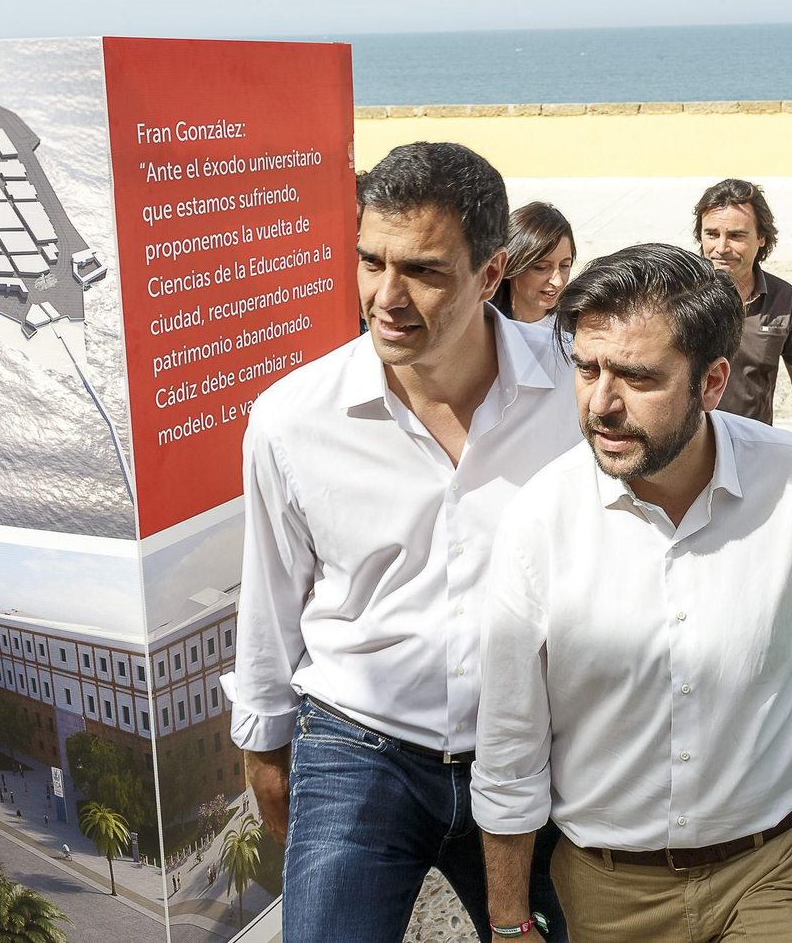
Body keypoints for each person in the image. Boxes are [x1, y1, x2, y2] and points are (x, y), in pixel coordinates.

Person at [229, 141, 579, 941]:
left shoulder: (574, 392)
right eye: (370, 261)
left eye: (422, 270)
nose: (386, 296)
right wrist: (264, 748)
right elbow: (271, 593)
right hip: (357, 747)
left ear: (491, 274)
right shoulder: (291, 417)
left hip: (535, 750)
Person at [474, 243, 792, 942]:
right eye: (587, 368)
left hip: (779, 865)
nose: (602, 404)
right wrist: (510, 922)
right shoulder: (538, 519)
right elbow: (510, 744)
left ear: (712, 382)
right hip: (609, 891)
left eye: (637, 376)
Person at [692, 178, 792, 450]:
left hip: (752, 455)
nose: (721, 248)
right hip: (686, 456)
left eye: (736, 236)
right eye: (711, 234)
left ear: (762, 238)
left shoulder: (783, 299)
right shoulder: (678, 294)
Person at [492, 201, 575, 324]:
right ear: (507, 264)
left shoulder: (576, 325)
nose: (557, 282)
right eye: (541, 267)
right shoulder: (484, 326)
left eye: (565, 266)